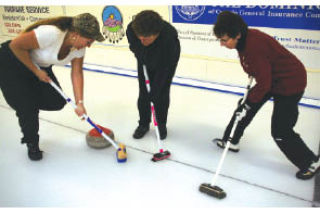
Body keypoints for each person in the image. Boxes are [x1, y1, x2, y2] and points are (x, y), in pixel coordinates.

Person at [212, 11, 319, 180]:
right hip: (271, 78)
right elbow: (262, 69)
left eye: (224, 40)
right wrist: (247, 101)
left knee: (280, 130)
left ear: (237, 35)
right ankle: (231, 140)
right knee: (244, 107)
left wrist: (248, 104)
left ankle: (310, 161)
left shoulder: (253, 46)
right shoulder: (245, 38)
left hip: (289, 82)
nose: (222, 44)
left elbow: (264, 84)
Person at [0, 13, 105, 161]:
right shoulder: (51, 33)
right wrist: (35, 72)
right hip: (13, 61)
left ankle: (26, 101)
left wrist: (80, 103)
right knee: (27, 106)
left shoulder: (79, 48)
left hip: (39, 66)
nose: (89, 45)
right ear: (75, 34)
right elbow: (15, 46)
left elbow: (77, 73)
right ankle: (31, 141)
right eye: (88, 41)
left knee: (56, 101)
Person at [126, 10, 180, 140]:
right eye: (140, 37)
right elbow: (134, 44)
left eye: (146, 38)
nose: (142, 40)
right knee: (144, 92)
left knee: (160, 94)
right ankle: (143, 124)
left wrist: (155, 92)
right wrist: (139, 51)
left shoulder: (169, 39)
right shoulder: (132, 29)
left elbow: (163, 70)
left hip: (164, 63)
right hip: (144, 57)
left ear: (156, 34)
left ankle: (161, 124)